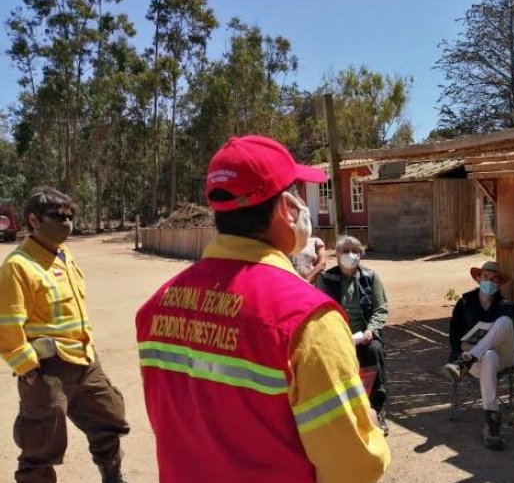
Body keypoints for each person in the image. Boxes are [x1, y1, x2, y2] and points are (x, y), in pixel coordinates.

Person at [135, 135, 389, 483]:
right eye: (298, 193)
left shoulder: (157, 308)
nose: (303, 205)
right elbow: (354, 468)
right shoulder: (309, 320)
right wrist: (370, 429)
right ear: (286, 208)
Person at [0, 187, 130, 483]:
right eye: (57, 216)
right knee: (41, 442)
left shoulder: (64, 255)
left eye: (70, 216)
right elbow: (7, 325)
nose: (66, 223)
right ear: (33, 220)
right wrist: (28, 369)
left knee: (109, 419)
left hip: (85, 359)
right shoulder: (18, 266)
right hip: (47, 368)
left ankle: (113, 474)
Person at [440, 261, 514, 451]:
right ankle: (491, 423)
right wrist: (466, 347)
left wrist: (473, 349)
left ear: (499, 284)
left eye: (494, 279)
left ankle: (466, 361)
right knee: (488, 355)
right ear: (478, 278)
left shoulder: (507, 306)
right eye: (486, 277)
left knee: (503, 322)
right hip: (480, 361)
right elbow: (456, 339)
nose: (490, 281)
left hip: (504, 358)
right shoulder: (464, 303)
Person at [316, 235, 390, 434]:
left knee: (375, 351)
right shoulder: (325, 279)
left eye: (355, 251)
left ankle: (378, 408)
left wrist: (371, 329)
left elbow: (380, 308)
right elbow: (320, 311)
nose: (351, 255)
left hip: (364, 335)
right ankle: (338, 415)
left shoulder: (371, 276)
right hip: (336, 337)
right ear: (337, 255)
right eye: (345, 251)